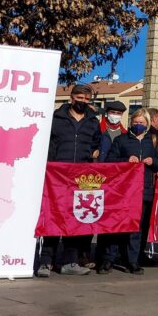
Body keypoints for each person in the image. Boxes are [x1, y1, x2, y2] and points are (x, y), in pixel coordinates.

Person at [37, 83, 100, 278]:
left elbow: (97, 143)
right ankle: (46, 261)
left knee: (76, 219)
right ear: (72, 98)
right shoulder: (56, 118)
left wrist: (95, 152)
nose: (83, 102)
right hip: (57, 176)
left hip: (81, 178)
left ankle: (70, 261)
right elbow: (46, 144)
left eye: (87, 100)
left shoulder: (93, 122)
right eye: (79, 98)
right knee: (53, 217)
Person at [101, 108, 158, 274]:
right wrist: (126, 160)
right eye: (136, 122)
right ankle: (109, 259)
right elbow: (110, 161)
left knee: (138, 228)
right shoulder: (121, 140)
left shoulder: (153, 141)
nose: (138, 125)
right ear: (131, 123)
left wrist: (153, 161)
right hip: (124, 190)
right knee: (118, 225)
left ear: (147, 124)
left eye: (142, 123)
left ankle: (133, 260)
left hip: (145, 189)